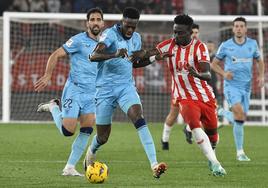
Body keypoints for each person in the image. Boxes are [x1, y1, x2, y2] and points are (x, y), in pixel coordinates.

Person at [84, 7, 168, 179]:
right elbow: (93, 56)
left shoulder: (136, 38)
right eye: (127, 26)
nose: (130, 30)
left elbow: (133, 63)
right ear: (122, 22)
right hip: (104, 90)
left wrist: (153, 58)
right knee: (103, 136)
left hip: (125, 87)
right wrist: (114, 53)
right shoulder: (110, 35)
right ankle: (91, 151)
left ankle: (154, 164)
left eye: (133, 26)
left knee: (138, 116)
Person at [34, 7, 104, 176]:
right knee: (68, 131)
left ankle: (70, 167)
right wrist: (48, 75)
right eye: (92, 19)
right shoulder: (78, 40)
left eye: (98, 19)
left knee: (87, 128)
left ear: (102, 23)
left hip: (92, 93)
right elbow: (56, 54)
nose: (95, 22)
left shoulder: (106, 43)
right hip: (75, 89)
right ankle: (53, 107)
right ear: (87, 23)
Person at [157, 14, 226, 176]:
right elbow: (150, 54)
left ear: (189, 32)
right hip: (183, 96)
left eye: (180, 32)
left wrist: (196, 74)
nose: (176, 36)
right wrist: (140, 57)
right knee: (192, 124)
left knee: (213, 136)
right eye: (174, 32)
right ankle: (215, 163)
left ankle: (211, 157)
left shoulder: (200, 47)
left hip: (205, 96)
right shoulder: (169, 45)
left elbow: (208, 75)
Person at [211, 17, 264, 161]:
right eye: (236, 26)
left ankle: (221, 112)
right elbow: (213, 64)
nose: (239, 28)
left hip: (247, 87)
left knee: (240, 119)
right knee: (239, 114)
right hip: (231, 86)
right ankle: (240, 153)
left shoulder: (252, 44)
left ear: (246, 29)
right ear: (233, 29)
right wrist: (224, 74)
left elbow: (259, 61)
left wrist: (261, 76)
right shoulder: (226, 45)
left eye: (241, 26)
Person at [161, 23, 200, 150]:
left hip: (195, 89)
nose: (194, 35)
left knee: (200, 111)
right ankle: (165, 139)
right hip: (179, 89)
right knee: (173, 114)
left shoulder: (199, 48)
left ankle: (188, 129)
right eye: (192, 32)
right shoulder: (175, 46)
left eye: (196, 33)